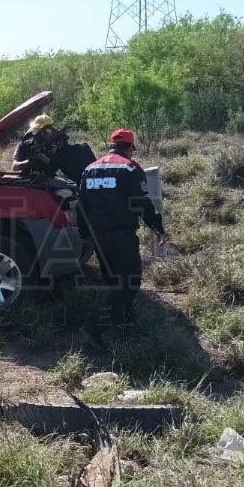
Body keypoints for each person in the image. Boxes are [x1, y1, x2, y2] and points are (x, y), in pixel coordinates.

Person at [77, 128, 167, 347]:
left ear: (111, 146)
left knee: (115, 281)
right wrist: (157, 227)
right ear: (129, 148)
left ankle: (125, 321)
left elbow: (81, 207)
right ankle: (94, 329)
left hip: (99, 238)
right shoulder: (129, 168)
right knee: (130, 283)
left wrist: (86, 235)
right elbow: (142, 202)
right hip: (121, 236)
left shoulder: (90, 169)